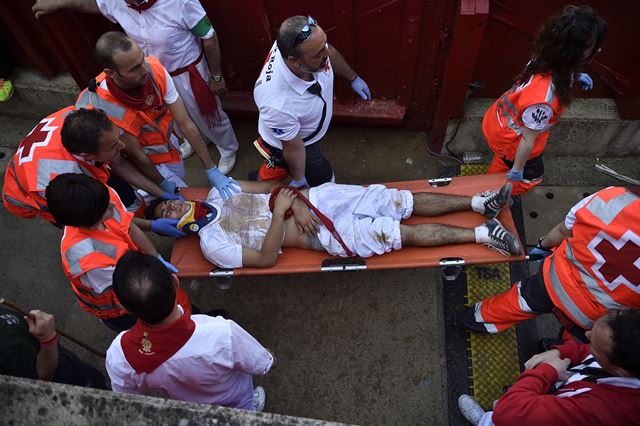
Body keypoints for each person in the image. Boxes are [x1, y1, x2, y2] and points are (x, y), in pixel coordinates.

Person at [32, 0, 239, 172]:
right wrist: (59, 3)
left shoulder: (180, 2)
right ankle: (191, 142)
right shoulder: (118, 2)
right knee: (168, 116)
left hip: (185, 72)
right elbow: (93, 4)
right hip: (147, 74)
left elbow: (208, 37)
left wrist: (216, 76)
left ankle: (227, 148)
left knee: (205, 113)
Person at [148, 181, 521, 269]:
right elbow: (264, 260)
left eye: (170, 199)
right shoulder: (213, 245)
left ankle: (478, 202)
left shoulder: (218, 191)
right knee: (397, 233)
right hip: (320, 236)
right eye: (168, 211)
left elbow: (269, 188)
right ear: (177, 227)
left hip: (319, 201)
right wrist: (281, 214)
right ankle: (484, 234)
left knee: (398, 200)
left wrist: (295, 202)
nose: (176, 203)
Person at [456, 186, 640, 341]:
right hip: (595, 317)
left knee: (517, 302)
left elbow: (563, 230)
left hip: (554, 279)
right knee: (575, 341)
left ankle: (469, 319)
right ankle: (557, 349)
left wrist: (542, 246)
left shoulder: (612, 197)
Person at [75, 31, 239, 201]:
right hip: (146, 161)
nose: (145, 70)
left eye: (142, 60)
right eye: (134, 69)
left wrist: (210, 167)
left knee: (180, 181)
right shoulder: (102, 107)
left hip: (169, 145)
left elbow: (185, 123)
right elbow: (137, 155)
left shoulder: (155, 70)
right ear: (111, 73)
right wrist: (161, 184)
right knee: (185, 200)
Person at [106, 251, 275, 411]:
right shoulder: (222, 332)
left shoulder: (119, 355)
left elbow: (129, 401)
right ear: (175, 283)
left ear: (125, 308)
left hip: (193, 410)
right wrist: (271, 358)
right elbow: (263, 363)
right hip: (237, 401)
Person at [483, 5, 606, 195]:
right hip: (511, 141)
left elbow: (550, 76)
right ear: (575, 52)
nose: (598, 49)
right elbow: (527, 139)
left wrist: (573, 76)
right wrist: (517, 170)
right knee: (531, 179)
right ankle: (494, 194)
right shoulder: (544, 101)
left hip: (498, 123)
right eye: (593, 47)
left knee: (501, 163)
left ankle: (494, 176)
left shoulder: (544, 57)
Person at [45, 173, 188, 332]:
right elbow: (129, 295)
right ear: (92, 221)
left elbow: (129, 227)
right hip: (121, 310)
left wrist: (156, 256)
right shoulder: (88, 260)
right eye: (107, 207)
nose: (114, 204)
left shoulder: (100, 197)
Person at [2, 107, 178, 229]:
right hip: (39, 193)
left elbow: (117, 162)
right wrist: (151, 226)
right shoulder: (61, 181)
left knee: (127, 199)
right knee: (100, 230)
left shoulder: (84, 122)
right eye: (113, 146)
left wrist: (162, 192)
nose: (123, 146)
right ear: (88, 155)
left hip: (51, 162)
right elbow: (100, 217)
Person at [457, 308, 640, 425]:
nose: (587, 333)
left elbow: (509, 412)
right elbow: (585, 351)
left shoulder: (599, 412)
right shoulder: (629, 358)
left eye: (594, 346)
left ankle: (485, 422)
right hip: (567, 392)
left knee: (502, 412)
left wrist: (547, 371)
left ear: (620, 371)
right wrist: (562, 352)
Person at [253, 15, 372, 188]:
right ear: (294, 61)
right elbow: (293, 148)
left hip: (296, 131)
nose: (328, 54)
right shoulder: (277, 103)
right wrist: (299, 177)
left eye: (324, 44)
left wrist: (352, 77)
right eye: (319, 55)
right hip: (298, 143)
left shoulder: (302, 47)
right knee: (322, 179)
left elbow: (326, 50)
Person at [0, 306, 106, 389]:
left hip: (65, 360)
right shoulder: (5, 348)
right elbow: (41, 377)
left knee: (94, 377)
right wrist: (48, 339)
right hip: (65, 383)